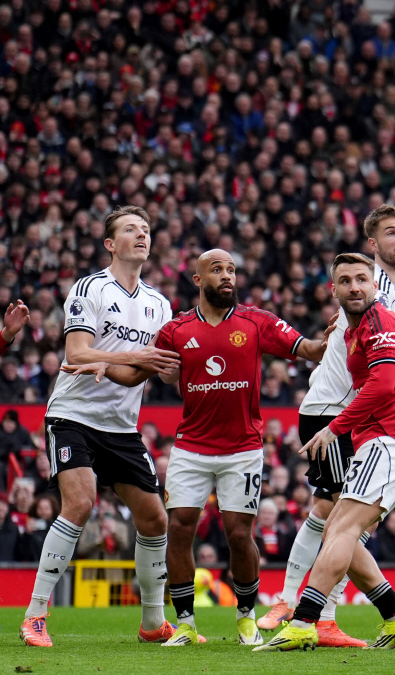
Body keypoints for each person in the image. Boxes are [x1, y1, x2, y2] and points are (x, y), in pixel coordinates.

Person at [66, 249, 328, 646]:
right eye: (217, 270)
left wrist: (337, 337)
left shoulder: (257, 321)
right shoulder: (176, 330)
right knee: (181, 529)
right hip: (191, 447)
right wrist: (105, 366)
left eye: (232, 270)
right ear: (197, 279)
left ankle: (246, 618)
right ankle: (186, 622)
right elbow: (137, 373)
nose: (227, 276)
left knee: (239, 534)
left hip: (243, 447)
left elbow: (307, 349)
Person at [260, 205, 395, 648]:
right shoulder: (358, 327)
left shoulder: (379, 318)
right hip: (372, 429)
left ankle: (303, 616)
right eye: (345, 282)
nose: (355, 287)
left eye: (361, 280)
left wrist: (336, 427)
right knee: (337, 525)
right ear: (333, 289)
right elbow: (394, 364)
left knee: (339, 525)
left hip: (384, 434)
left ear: (374, 283)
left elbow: (385, 381)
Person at [22, 207, 180, 648]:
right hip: (73, 414)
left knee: (154, 518)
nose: (142, 234)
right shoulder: (90, 287)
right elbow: (76, 353)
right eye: (131, 229)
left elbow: (157, 371)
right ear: (111, 244)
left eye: (147, 229)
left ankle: (153, 623)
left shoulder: (159, 303)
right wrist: (129, 359)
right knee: (80, 502)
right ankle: (35, 614)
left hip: (121, 426)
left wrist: (167, 365)